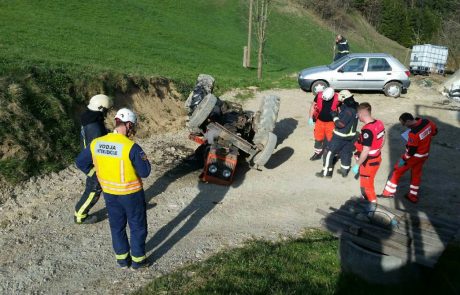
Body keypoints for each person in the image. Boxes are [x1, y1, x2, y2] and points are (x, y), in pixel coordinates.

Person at [76, 108, 151, 269]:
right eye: (133, 127)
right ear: (129, 124)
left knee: (117, 227)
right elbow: (145, 172)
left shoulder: (97, 143)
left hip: (110, 194)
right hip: (131, 194)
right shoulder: (131, 147)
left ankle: (123, 260)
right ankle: (138, 260)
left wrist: (95, 175)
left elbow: (80, 162)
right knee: (137, 227)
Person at [380, 113, 437, 203]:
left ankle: (388, 193)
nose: (404, 126)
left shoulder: (413, 133)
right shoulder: (427, 122)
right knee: (416, 174)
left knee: (397, 170)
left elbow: (411, 151)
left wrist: (404, 159)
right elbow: (435, 132)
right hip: (424, 155)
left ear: (408, 121)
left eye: (404, 124)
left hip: (413, 157)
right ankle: (413, 196)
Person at [74, 94, 113, 224]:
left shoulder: (90, 118)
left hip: (89, 160)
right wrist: (94, 170)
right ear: (101, 108)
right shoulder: (94, 127)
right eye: (106, 109)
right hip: (92, 163)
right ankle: (80, 216)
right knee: (94, 188)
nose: (107, 112)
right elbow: (95, 147)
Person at [316, 90, 358, 178]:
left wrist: (334, 116)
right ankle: (344, 170)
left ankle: (326, 172)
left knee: (328, 152)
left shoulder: (348, 111)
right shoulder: (355, 107)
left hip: (340, 136)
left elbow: (341, 124)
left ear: (343, 97)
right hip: (350, 137)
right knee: (346, 152)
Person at [352, 102, 385, 208]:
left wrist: (357, 164)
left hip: (368, 162)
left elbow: (365, 151)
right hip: (376, 158)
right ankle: (365, 200)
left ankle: (371, 208)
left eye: (358, 115)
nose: (358, 117)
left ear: (361, 114)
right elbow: (383, 138)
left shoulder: (367, 130)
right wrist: (377, 149)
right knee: (368, 183)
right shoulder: (379, 123)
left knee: (367, 187)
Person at [308, 87, 341, 161]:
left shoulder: (338, 98)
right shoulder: (319, 96)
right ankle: (317, 153)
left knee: (332, 140)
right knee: (318, 138)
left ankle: (333, 155)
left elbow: (340, 110)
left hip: (331, 123)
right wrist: (310, 118)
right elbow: (313, 106)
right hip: (319, 121)